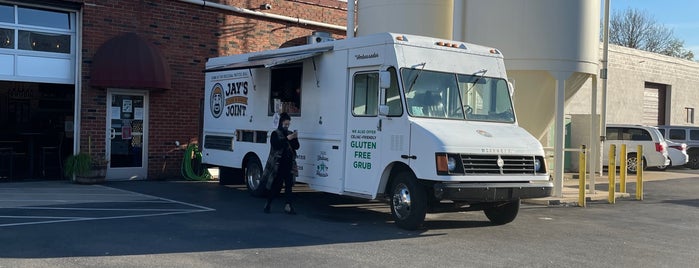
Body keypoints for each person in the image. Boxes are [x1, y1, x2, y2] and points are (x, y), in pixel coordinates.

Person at [263, 112, 300, 214]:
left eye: (288, 124)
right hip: (278, 164)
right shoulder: (275, 134)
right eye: (285, 124)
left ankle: (288, 206)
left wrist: (294, 138)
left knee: (289, 186)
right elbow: (276, 145)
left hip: (288, 163)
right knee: (276, 185)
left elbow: (296, 146)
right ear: (281, 123)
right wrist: (287, 139)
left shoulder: (290, 133)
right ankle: (268, 203)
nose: (287, 126)